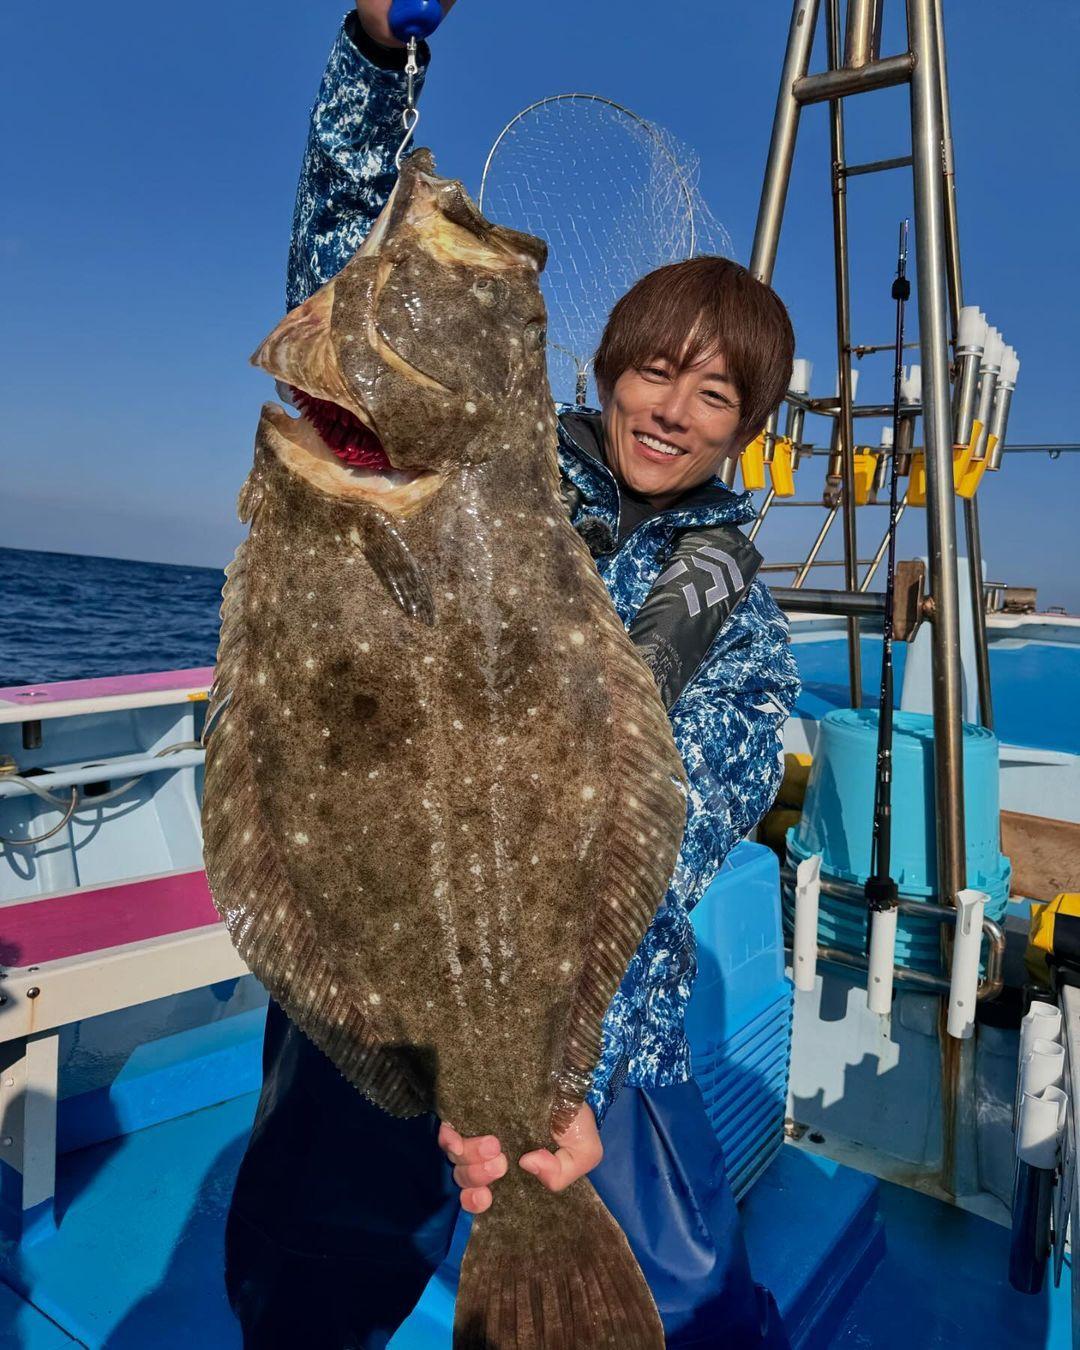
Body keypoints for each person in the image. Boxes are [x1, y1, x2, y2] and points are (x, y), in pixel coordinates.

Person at [225, 5, 802, 1348]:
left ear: (746, 433)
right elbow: (340, 273)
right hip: (379, 959)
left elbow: (662, 856)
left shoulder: (741, 629)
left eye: (716, 396)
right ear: (603, 370)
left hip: (598, 1040)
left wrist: (551, 1078)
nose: (672, 408)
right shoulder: (478, 471)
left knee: (691, 1307)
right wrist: (376, 54)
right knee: (311, 1276)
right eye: (656, 369)